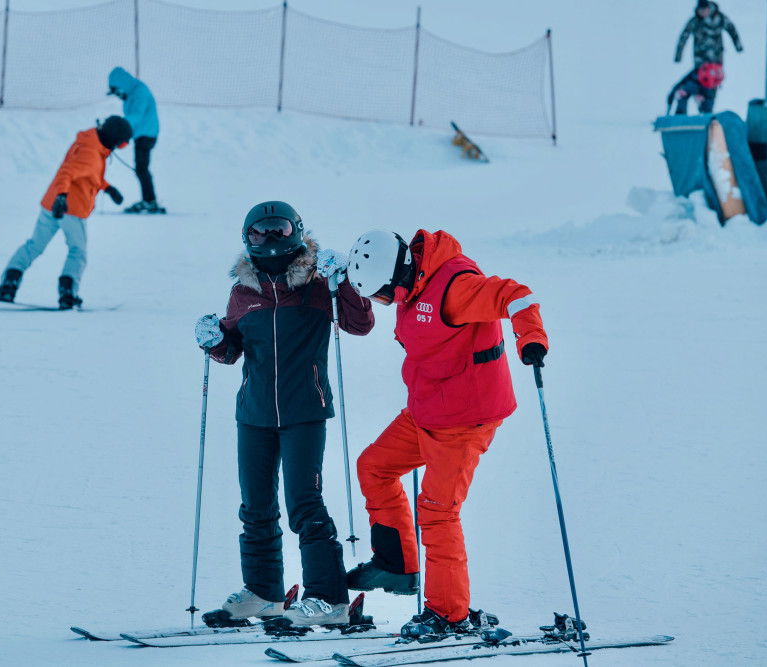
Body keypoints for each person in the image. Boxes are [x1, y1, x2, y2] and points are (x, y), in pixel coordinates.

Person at [341, 229, 549, 639]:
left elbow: (515, 294)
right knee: (374, 467)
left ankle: (448, 614)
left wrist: (532, 338)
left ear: (399, 273)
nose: (386, 304)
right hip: (428, 411)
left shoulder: (455, 288)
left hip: (463, 419)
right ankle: (396, 565)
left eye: (384, 295)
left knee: (436, 512)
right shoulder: (414, 283)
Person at [194, 202, 374, 627]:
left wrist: (344, 280)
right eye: (261, 232)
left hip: (304, 412)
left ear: (296, 232)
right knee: (255, 508)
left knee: (304, 505)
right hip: (253, 414)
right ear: (247, 238)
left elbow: (359, 324)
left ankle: (329, 600)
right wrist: (215, 341)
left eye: (279, 229)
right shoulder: (242, 293)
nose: (271, 239)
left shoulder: (317, 285)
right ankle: (263, 594)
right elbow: (234, 350)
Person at [0, 116, 131, 309]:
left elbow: (87, 174)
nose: (120, 147)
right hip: (70, 209)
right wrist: (62, 196)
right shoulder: (92, 153)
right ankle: (68, 293)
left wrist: (107, 188)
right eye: (123, 144)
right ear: (114, 138)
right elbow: (67, 172)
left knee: (34, 245)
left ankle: (8, 284)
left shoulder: (89, 142)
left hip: (51, 205)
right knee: (78, 252)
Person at [107, 67, 164, 214]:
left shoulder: (139, 93)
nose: (118, 95)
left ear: (121, 83)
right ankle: (149, 200)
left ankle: (150, 201)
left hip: (146, 134)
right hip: (142, 134)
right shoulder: (132, 92)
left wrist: (119, 126)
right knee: (141, 168)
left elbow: (136, 115)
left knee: (141, 168)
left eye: (116, 91)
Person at [672, 0, 742, 114]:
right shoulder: (695, 21)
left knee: (710, 90)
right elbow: (684, 37)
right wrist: (678, 56)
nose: (703, 12)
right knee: (689, 87)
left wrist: (738, 46)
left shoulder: (719, 18)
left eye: (705, 10)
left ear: (709, 8)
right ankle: (681, 113)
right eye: (701, 10)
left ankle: (706, 112)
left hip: (716, 63)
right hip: (700, 64)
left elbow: (732, 29)